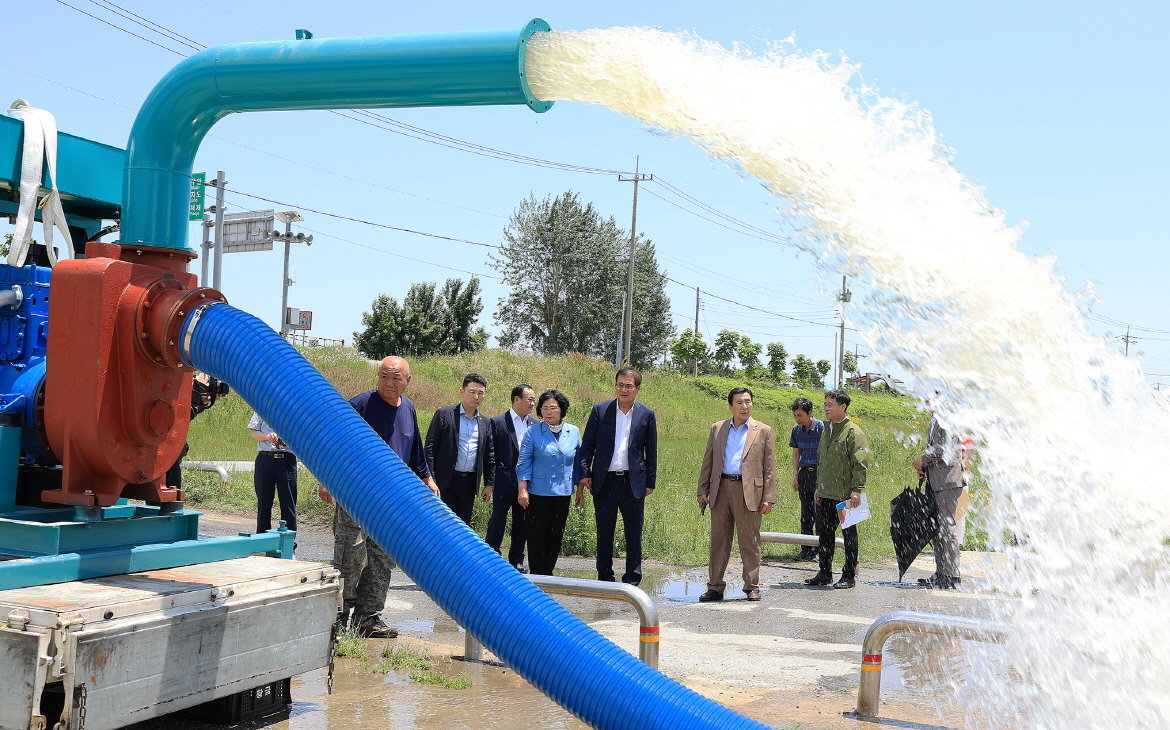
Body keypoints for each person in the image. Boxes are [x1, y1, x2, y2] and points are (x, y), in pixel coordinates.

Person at [319, 355, 439, 638]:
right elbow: (333, 442)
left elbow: (415, 452)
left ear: (407, 381)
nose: (389, 382)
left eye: (396, 377)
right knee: (350, 555)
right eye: (384, 376)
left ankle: (368, 618)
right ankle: (338, 618)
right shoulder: (361, 404)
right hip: (354, 494)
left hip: (391, 499)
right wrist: (326, 479)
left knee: (382, 559)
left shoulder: (408, 409)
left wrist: (428, 480)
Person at [578, 367, 658, 585]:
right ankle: (605, 576)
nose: (624, 389)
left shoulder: (646, 414)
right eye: (620, 385)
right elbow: (587, 446)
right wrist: (584, 473)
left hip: (633, 482)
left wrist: (649, 482)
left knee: (634, 532)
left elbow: (651, 452)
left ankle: (632, 578)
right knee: (605, 531)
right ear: (615, 386)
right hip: (604, 481)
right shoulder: (600, 410)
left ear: (638, 389)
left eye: (629, 386)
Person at [696, 387, 777, 602]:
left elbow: (770, 468)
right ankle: (715, 586)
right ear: (730, 406)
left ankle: (752, 586)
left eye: (748, 401)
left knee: (749, 539)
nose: (744, 406)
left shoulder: (763, 430)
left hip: (749, 491)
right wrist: (702, 489)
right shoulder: (718, 428)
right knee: (719, 540)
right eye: (739, 402)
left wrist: (768, 497)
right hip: (721, 487)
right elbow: (708, 460)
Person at [806, 389, 869, 590]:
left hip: (846, 494)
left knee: (849, 535)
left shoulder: (853, 431)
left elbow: (860, 463)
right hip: (825, 492)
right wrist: (818, 487)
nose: (826, 408)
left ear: (843, 407)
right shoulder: (827, 430)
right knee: (824, 534)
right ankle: (824, 573)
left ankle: (849, 575)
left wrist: (857, 490)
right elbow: (822, 461)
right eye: (824, 404)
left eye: (830, 404)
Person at [516, 390, 583, 576]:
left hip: (563, 492)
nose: (548, 412)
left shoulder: (574, 431)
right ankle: (538, 575)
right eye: (544, 408)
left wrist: (580, 489)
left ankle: (549, 573)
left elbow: (579, 462)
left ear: (562, 409)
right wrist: (523, 489)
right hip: (538, 493)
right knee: (537, 536)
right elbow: (523, 462)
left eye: (553, 408)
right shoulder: (533, 432)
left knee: (556, 536)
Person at [424, 373, 494, 525]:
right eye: (472, 392)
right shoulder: (445, 414)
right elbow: (429, 448)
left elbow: (489, 455)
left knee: (462, 525)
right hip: (445, 481)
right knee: (440, 523)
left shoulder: (485, 422)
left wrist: (489, 484)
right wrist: (431, 478)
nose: (476, 396)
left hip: (469, 483)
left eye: (480, 393)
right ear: (462, 391)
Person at [485, 384, 539, 572]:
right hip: (503, 481)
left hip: (527, 483)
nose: (533, 403)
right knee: (498, 520)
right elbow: (490, 455)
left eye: (534, 399)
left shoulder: (535, 424)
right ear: (517, 399)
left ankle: (517, 559)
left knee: (522, 522)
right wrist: (490, 482)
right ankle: (491, 556)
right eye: (530, 399)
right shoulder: (498, 422)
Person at [913, 409, 968, 590]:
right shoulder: (935, 418)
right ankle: (941, 572)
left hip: (948, 481)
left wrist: (923, 459)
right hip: (936, 480)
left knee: (947, 528)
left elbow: (945, 449)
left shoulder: (948, 417)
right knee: (937, 530)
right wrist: (925, 470)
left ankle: (952, 575)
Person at [248, 411, 297, 535]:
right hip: (265, 458)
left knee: (288, 504)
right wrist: (268, 436)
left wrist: (288, 441)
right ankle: (262, 542)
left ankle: (289, 545)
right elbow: (254, 434)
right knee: (264, 503)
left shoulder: (295, 411)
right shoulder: (261, 408)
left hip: (286, 460)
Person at [789, 397, 824, 562]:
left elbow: (826, 455)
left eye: (800, 415)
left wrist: (822, 480)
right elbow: (796, 454)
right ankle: (805, 549)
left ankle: (819, 549)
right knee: (806, 513)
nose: (797, 418)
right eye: (795, 415)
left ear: (810, 413)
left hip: (820, 473)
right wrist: (795, 475)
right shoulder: (796, 430)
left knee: (820, 513)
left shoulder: (822, 428)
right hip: (804, 473)